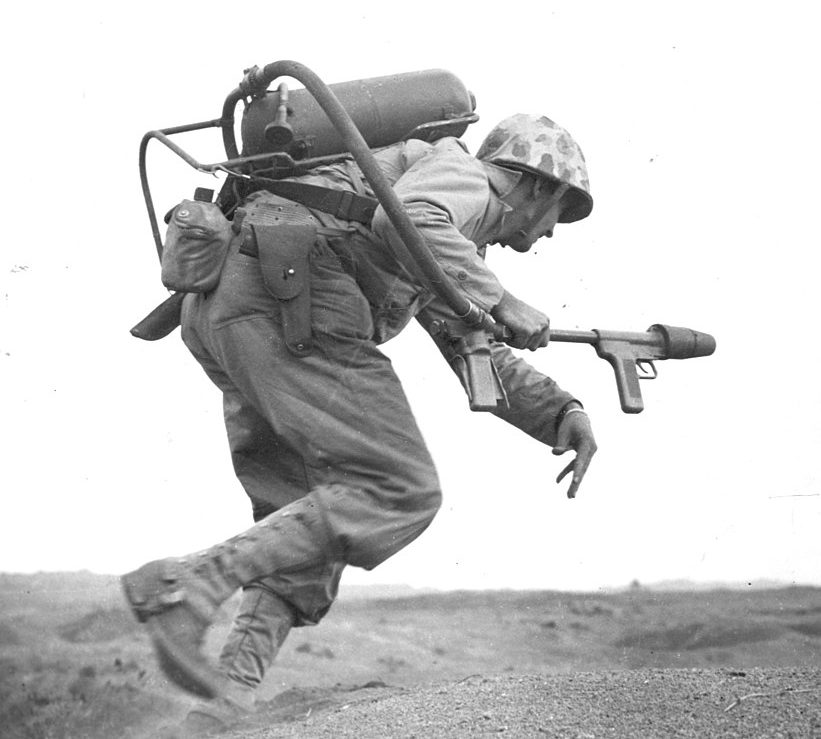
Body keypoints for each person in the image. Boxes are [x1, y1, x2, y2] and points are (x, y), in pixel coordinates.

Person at [122, 113, 598, 733]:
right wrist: (501, 297)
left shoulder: (444, 234)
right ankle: (186, 586)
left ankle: (224, 703)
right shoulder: (469, 177)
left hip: (231, 305)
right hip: (293, 296)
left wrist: (560, 412)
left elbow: (464, 337)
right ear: (537, 187)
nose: (551, 232)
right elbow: (415, 218)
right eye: (560, 212)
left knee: (307, 516)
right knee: (396, 488)